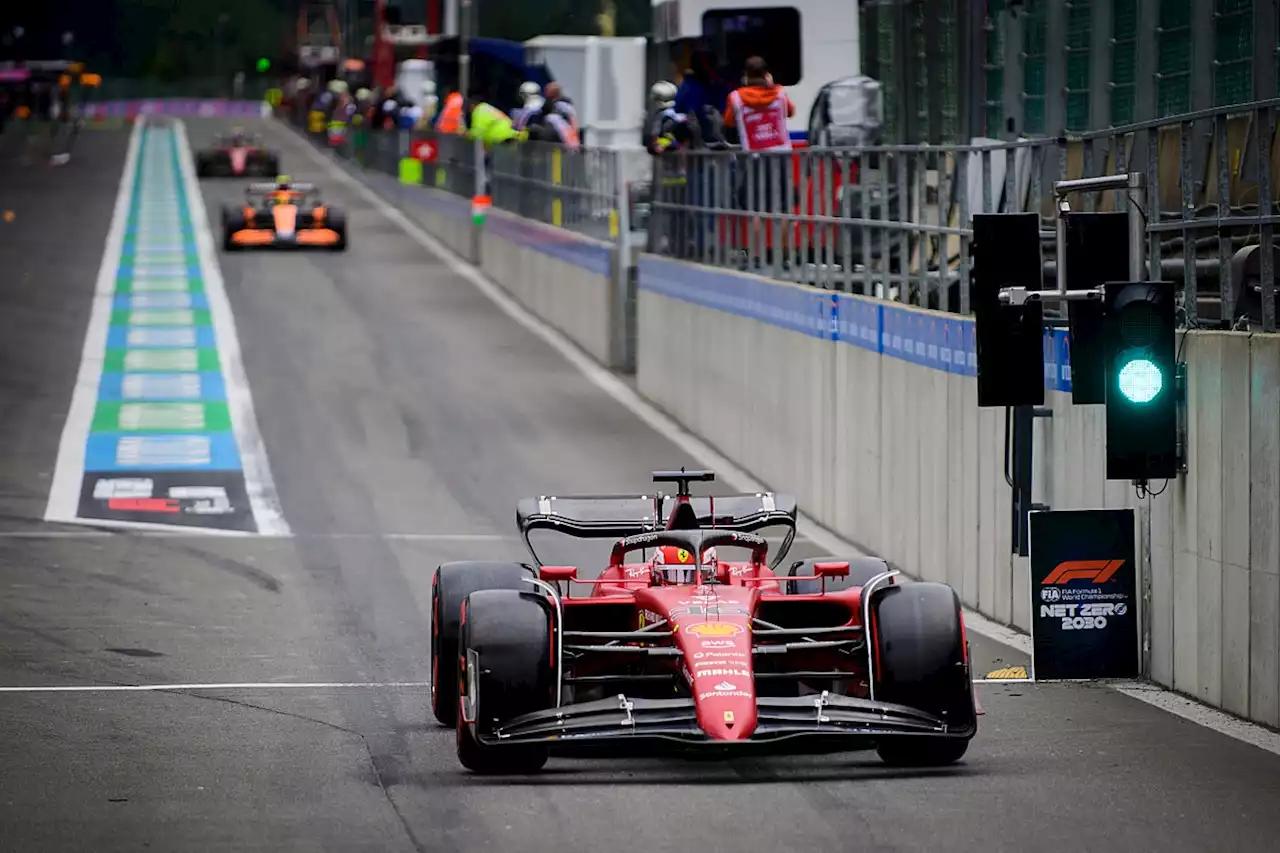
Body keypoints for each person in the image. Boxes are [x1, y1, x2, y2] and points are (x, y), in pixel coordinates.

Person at [722, 56, 795, 152]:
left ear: (746, 75)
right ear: (766, 74)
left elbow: (728, 122)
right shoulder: (780, 93)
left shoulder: (735, 97)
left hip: (754, 158)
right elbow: (790, 112)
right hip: (781, 156)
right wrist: (771, 85)